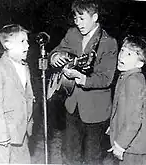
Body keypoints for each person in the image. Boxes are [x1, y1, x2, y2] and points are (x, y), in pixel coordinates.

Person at [49, 0, 118, 164]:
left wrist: (82, 79)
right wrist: (55, 57)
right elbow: (57, 50)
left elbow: (106, 78)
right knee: (70, 154)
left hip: (96, 111)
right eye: (75, 19)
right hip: (72, 105)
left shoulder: (108, 43)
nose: (78, 23)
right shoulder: (72, 33)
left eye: (82, 18)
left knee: (92, 158)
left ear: (95, 17)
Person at [0, 24, 34, 164]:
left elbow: (27, 96)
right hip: (1, 135)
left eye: (27, 41)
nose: (27, 46)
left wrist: (28, 123)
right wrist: (1, 135)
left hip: (21, 132)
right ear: (8, 45)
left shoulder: (25, 67)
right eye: (23, 41)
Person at [107, 35, 146, 165]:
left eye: (129, 54)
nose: (122, 56)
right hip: (130, 144)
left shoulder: (134, 80)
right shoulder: (126, 75)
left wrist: (120, 145)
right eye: (122, 50)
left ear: (139, 63)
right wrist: (113, 126)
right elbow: (122, 109)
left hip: (133, 147)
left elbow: (134, 120)